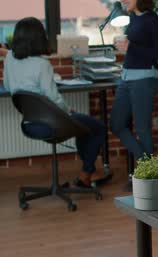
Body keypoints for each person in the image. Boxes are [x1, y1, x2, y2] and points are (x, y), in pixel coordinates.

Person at [2, 17, 106, 188]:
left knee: (83, 128)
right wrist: (69, 111)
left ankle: (89, 172)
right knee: (97, 127)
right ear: (39, 38)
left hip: (29, 123)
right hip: (51, 123)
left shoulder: (10, 59)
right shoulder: (42, 64)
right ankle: (86, 173)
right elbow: (53, 98)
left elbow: (8, 86)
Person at [110, 0, 158, 163]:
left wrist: (131, 47)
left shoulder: (153, 20)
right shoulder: (133, 18)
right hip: (126, 77)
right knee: (117, 124)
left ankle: (148, 176)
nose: (123, 0)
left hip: (144, 78)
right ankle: (147, 164)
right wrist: (124, 46)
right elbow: (134, 46)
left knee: (142, 129)